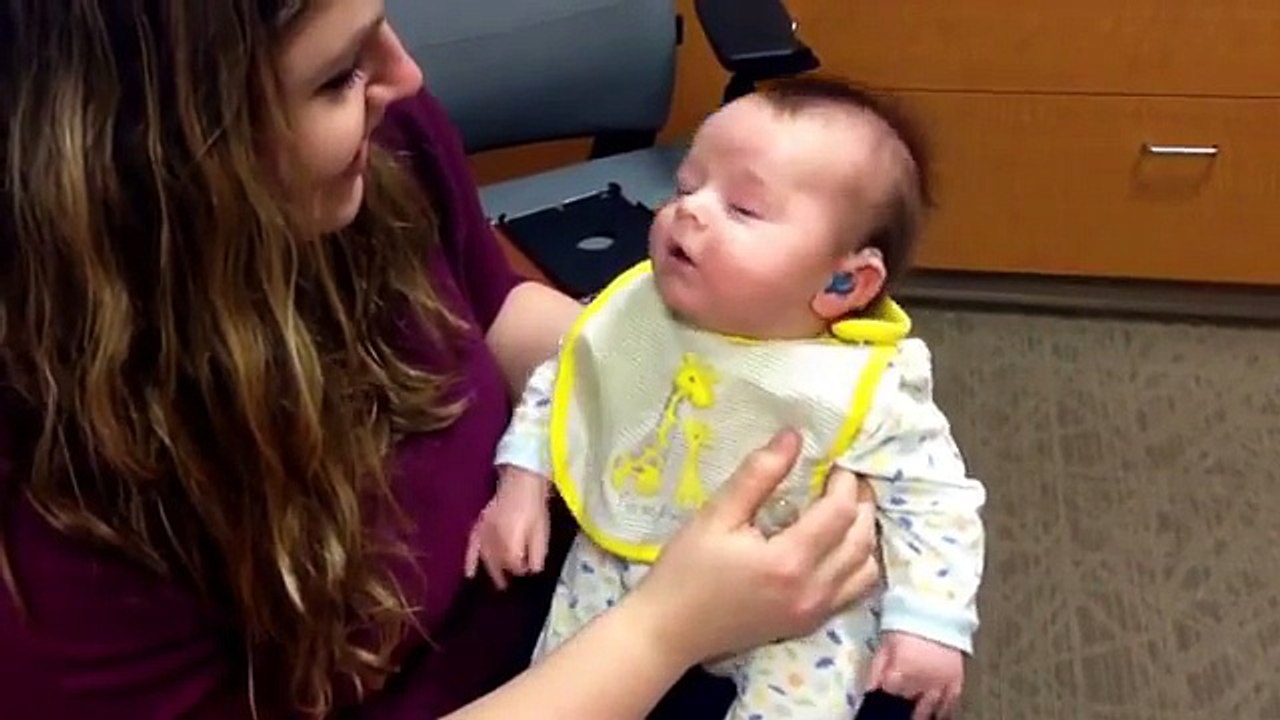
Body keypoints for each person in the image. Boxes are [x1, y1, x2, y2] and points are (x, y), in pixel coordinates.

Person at [0, 1, 884, 718]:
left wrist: (753, 384)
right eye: (336, 75)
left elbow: (489, 314)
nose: (405, 75)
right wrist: (662, 635)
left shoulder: (382, 144)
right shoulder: (58, 507)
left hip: (548, 578)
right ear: (155, 159)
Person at [466, 77, 987, 720]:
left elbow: (935, 503)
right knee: (562, 667)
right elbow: (566, 383)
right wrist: (520, 484)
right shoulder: (638, 313)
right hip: (623, 552)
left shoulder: (871, 388)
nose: (689, 209)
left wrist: (931, 624)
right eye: (686, 186)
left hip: (797, 603)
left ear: (844, 279)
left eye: (743, 208)